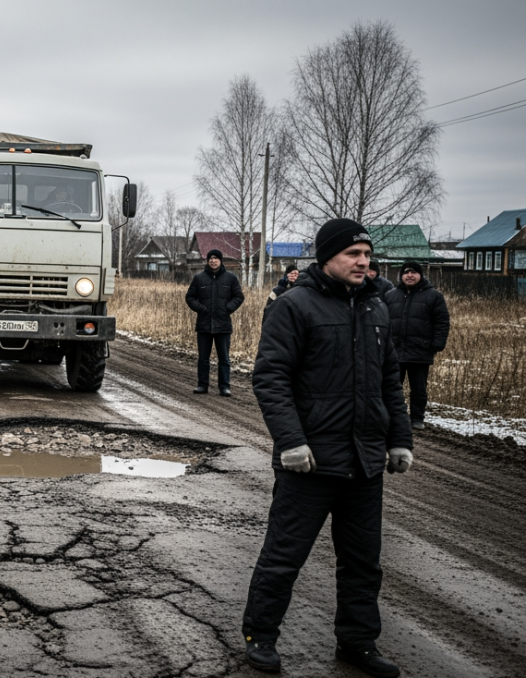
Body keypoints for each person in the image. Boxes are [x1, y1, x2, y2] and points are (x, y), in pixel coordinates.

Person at [243, 218, 413, 677]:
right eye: (354, 254)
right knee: (284, 556)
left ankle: (357, 643)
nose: (364, 262)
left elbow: (388, 383)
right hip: (309, 464)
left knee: (363, 563)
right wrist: (291, 442)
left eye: (367, 254)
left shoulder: (376, 309)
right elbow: (270, 378)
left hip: (364, 463)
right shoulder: (295, 306)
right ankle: (261, 636)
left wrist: (399, 439)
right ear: (328, 257)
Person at [384, 260, 450, 431]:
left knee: (418, 389)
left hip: (420, 350)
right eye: (406, 272)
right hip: (394, 351)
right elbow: (382, 321)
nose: (410, 275)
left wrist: (437, 344)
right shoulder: (391, 295)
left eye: (413, 272)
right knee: (391, 387)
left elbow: (442, 321)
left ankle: (417, 419)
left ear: (420, 275)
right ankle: (392, 417)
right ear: (401, 275)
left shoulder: (433, 296)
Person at [185, 249, 244, 396]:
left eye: (216, 258)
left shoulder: (231, 278)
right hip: (204, 324)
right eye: (210, 258)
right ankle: (202, 385)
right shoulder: (199, 278)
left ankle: (224, 387)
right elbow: (190, 297)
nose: (213, 261)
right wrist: (201, 309)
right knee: (203, 358)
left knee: (224, 359)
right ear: (207, 261)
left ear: (220, 260)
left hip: (223, 325)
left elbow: (239, 296)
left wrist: (227, 308)